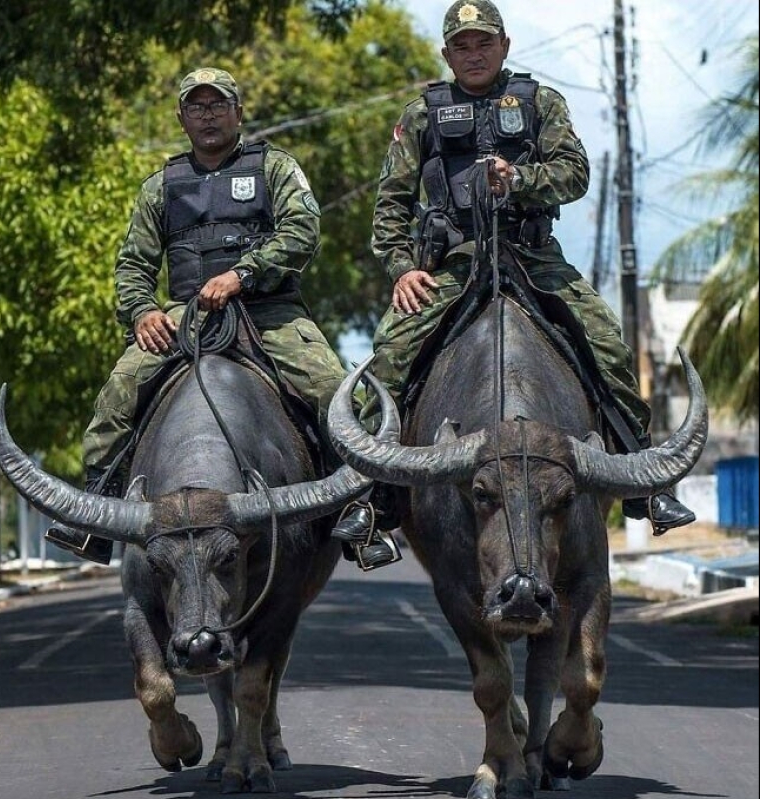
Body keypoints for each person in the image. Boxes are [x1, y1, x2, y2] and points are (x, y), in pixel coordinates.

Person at [331, 0, 695, 545]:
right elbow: (390, 207)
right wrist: (404, 270)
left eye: (483, 43)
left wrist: (518, 179)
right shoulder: (420, 115)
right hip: (452, 263)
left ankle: (645, 482)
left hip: (532, 257)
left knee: (608, 345)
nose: (473, 54)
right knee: (389, 358)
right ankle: (373, 495)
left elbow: (575, 174)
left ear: (504, 45)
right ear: (447, 54)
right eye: (462, 46)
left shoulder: (540, 102)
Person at [47, 67, 395, 569]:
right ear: (182, 117)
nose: (207, 115)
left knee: (331, 389)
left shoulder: (275, 168)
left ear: (238, 112)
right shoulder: (160, 186)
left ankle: (367, 511)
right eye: (196, 106)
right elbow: (132, 264)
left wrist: (243, 275)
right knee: (118, 394)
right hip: (184, 315)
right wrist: (143, 310)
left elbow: (302, 232)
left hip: (268, 311)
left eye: (217, 105)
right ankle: (95, 516)